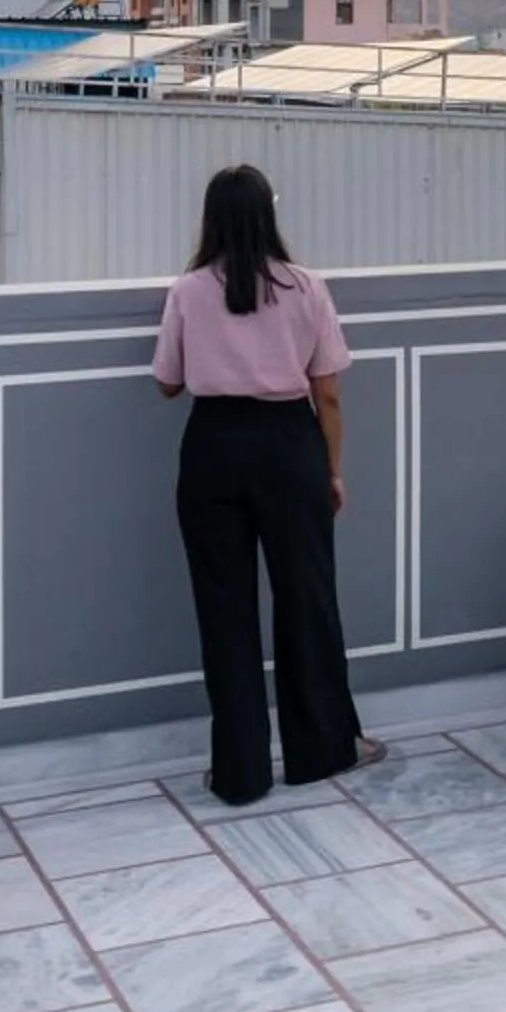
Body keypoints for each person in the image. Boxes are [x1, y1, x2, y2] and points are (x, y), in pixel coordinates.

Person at [154, 163, 381, 804]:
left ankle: (239, 772)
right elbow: (328, 393)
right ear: (269, 216)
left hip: (213, 448)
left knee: (224, 614)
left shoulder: (188, 290)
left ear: (210, 220)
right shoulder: (307, 287)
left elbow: (168, 381)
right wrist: (332, 469)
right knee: (307, 602)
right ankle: (322, 750)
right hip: (289, 448)